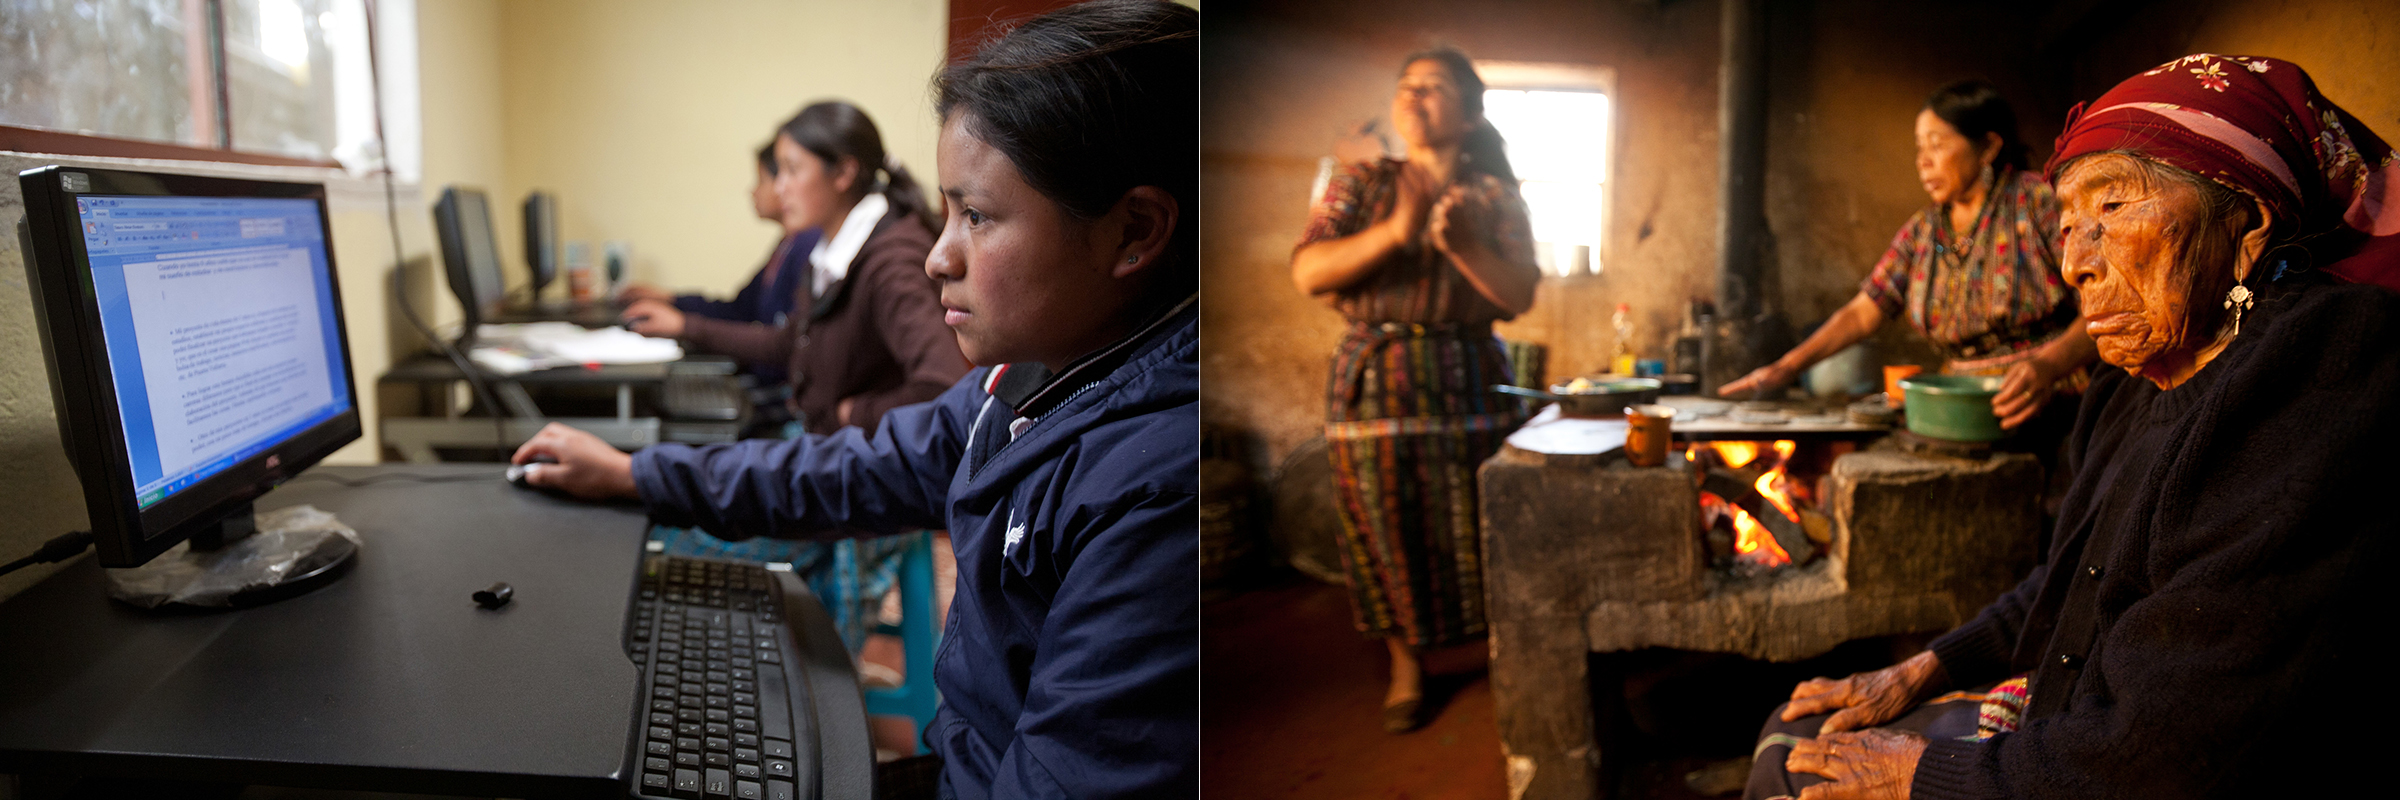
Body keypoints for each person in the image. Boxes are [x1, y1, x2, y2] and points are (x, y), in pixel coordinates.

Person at [512, 2, 1198, 796]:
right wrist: (639, 475)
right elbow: (863, 465)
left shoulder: (1157, 494)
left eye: (975, 215)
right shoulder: (1025, 380)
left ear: (1135, 230)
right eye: (948, 211)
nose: (941, 255)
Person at [1743, 54, 2400, 800]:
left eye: (2113, 209)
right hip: (2088, 728)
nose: (2075, 263)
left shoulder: (2317, 378)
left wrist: (1918, 773)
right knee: (1791, 736)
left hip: (2146, 766)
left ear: (2247, 223)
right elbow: (2074, 575)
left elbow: (2170, 748)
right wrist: (1921, 668)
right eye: (2069, 226)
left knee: (1787, 778)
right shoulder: (2135, 386)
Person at [1289, 46, 1541, 734]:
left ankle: (1501, 648)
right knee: (1381, 525)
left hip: (1471, 377)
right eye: (1407, 87)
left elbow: (1517, 294)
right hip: (1376, 382)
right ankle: (1406, 665)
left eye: (1433, 88)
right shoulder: (1362, 183)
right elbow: (1310, 271)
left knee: (1482, 519)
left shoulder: (1494, 195)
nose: (1415, 98)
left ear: (1470, 112)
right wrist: (1398, 231)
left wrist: (1462, 245)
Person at [1719, 81, 2097, 433]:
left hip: (2054, 401)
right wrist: (1785, 368)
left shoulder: (2038, 201)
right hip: (1961, 410)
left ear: (1989, 147)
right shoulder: (1924, 230)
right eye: (1920, 147)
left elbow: (2102, 304)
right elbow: (1864, 311)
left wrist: (2047, 366)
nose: (1923, 161)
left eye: (1937, 144)